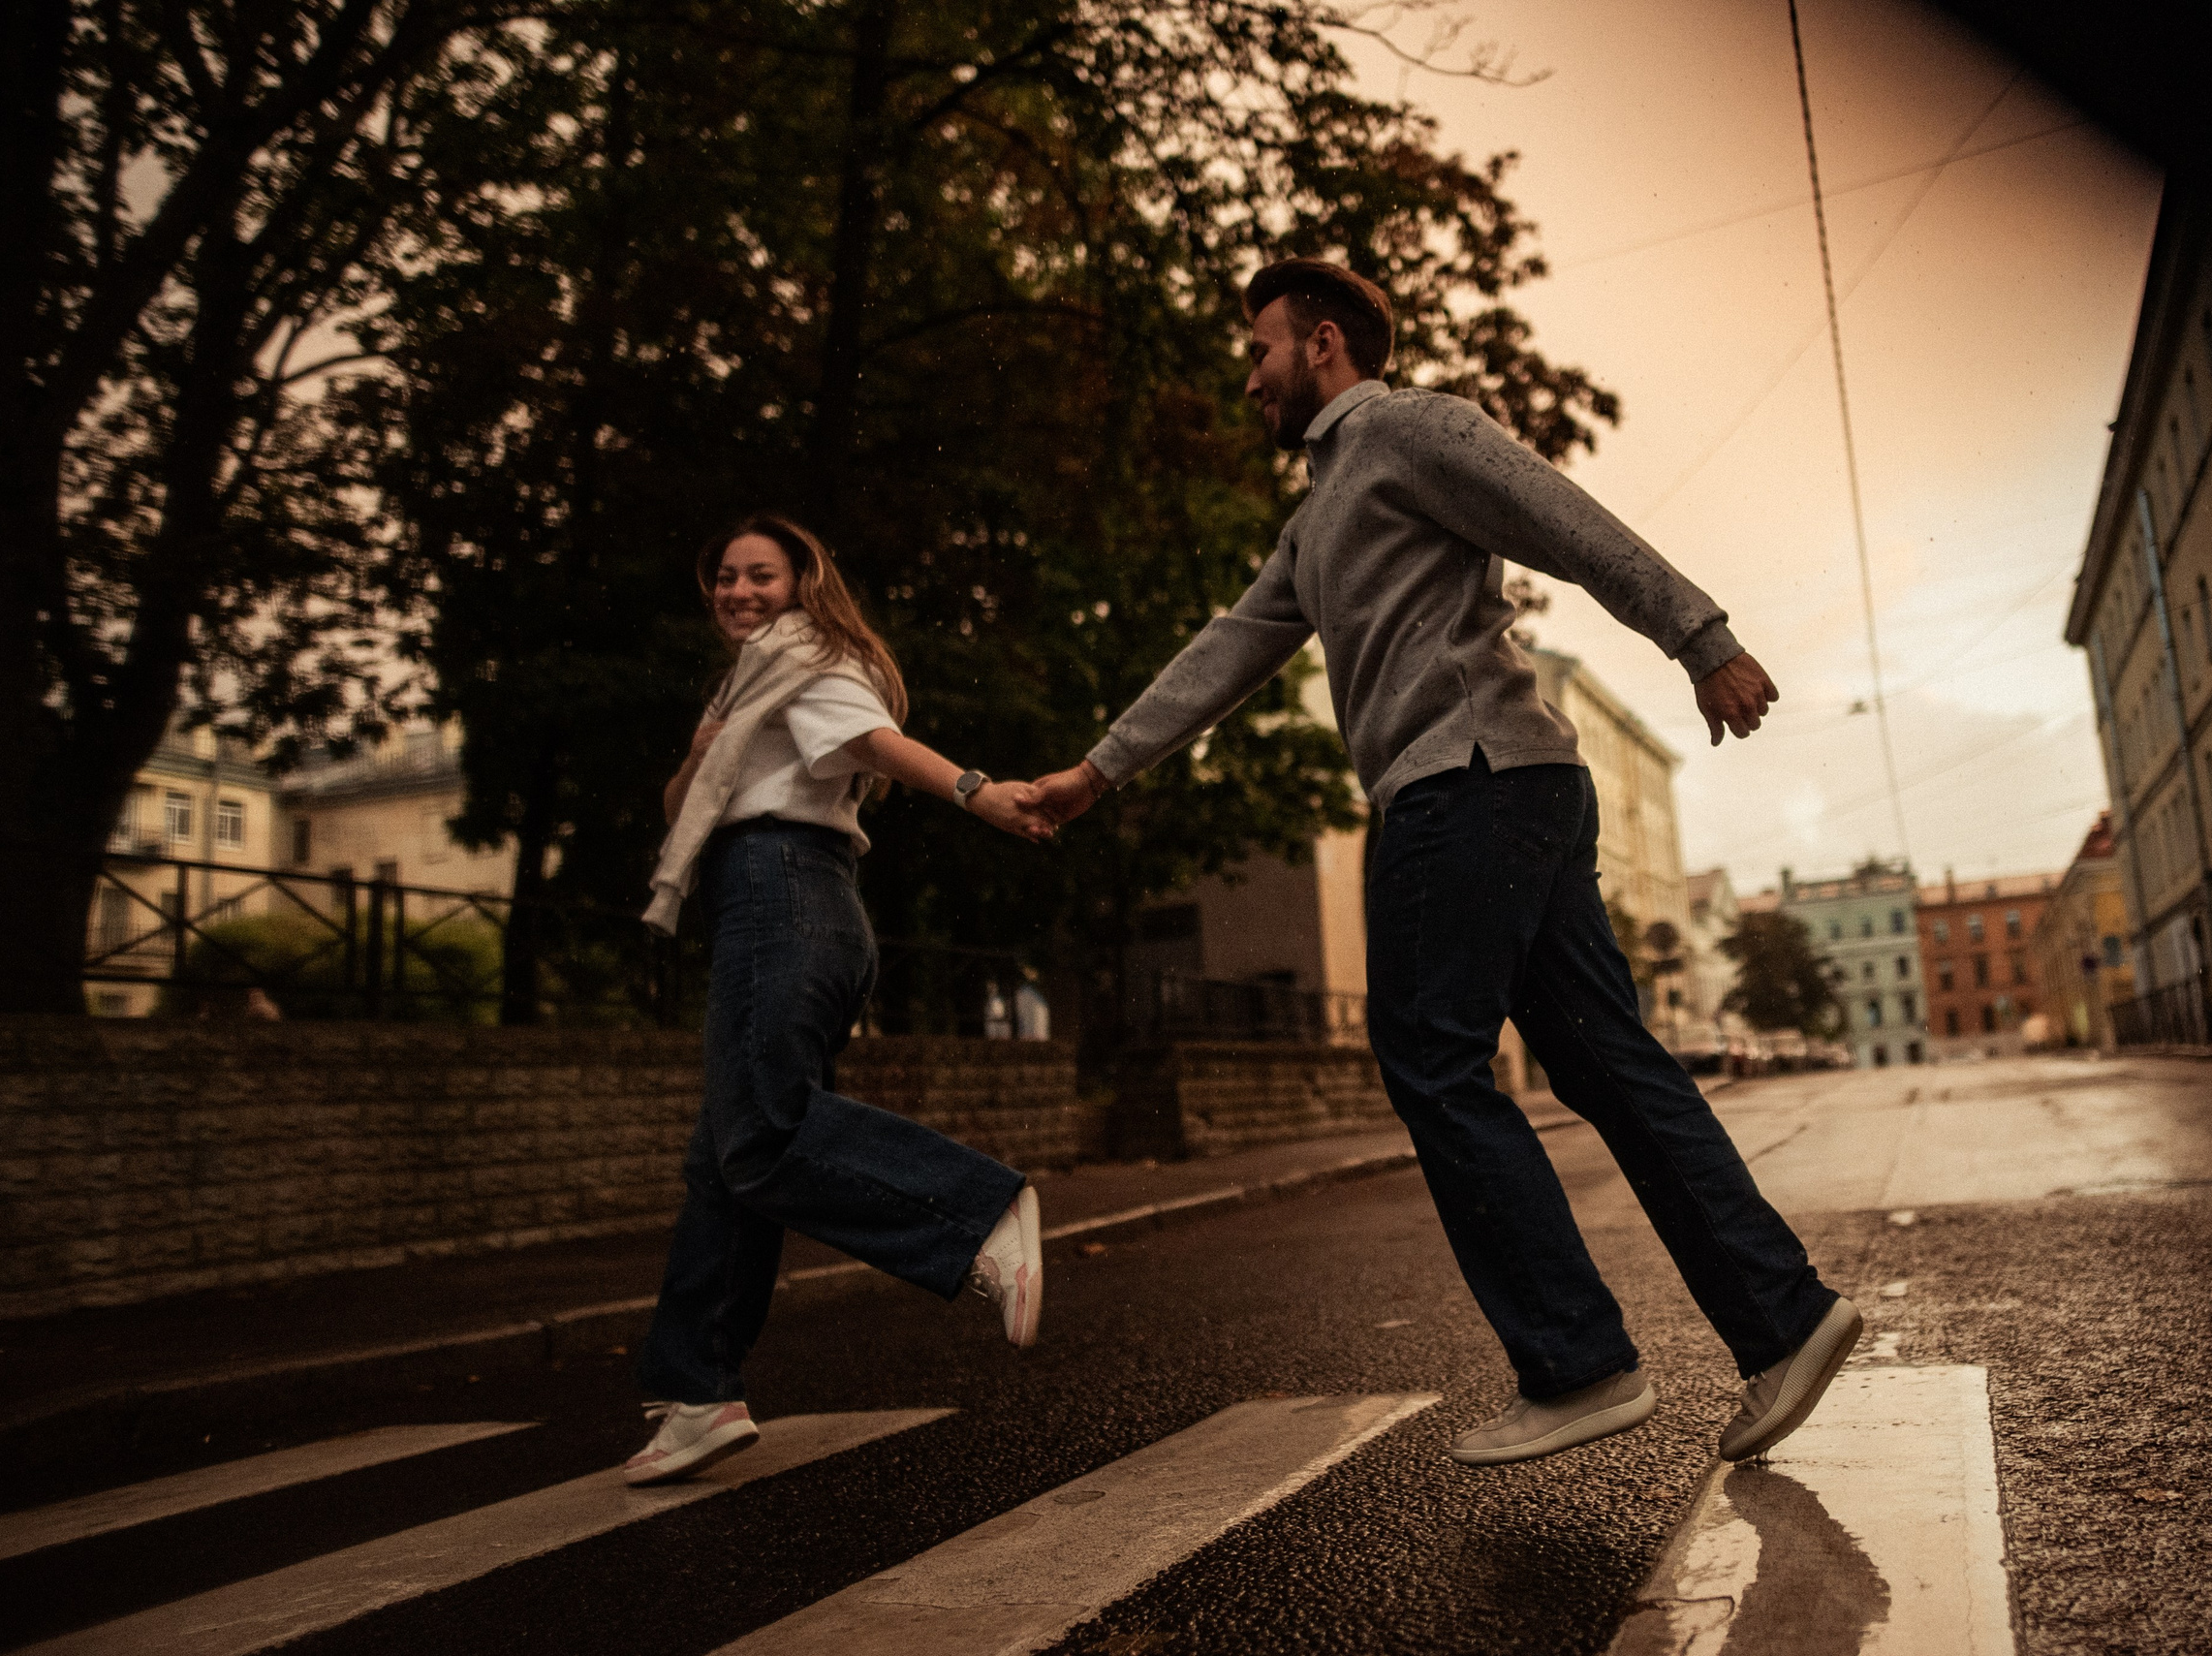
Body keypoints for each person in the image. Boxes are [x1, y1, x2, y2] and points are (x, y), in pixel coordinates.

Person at [1026, 258, 1859, 1468]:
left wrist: (1700, 635)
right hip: (1513, 792)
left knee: (1430, 1053)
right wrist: (1095, 772)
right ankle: (1784, 1319)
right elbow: (1228, 649)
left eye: (1260, 350)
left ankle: (1577, 1361)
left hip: (1465, 783)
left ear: (1321, 346)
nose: (1247, 376)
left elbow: (1564, 519)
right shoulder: (1316, 516)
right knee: (1608, 1063)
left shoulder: (1410, 429)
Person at [626, 513, 1055, 1486]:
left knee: (762, 1132)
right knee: (723, 1162)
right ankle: (696, 1392)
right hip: (779, 896)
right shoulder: (750, 681)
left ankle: (974, 1209)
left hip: (780, 893)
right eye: (725, 575)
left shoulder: (807, 652)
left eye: (760, 575)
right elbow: (680, 804)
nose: (738, 590)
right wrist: (708, 737)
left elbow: (871, 740)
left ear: (802, 583)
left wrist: (977, 789)